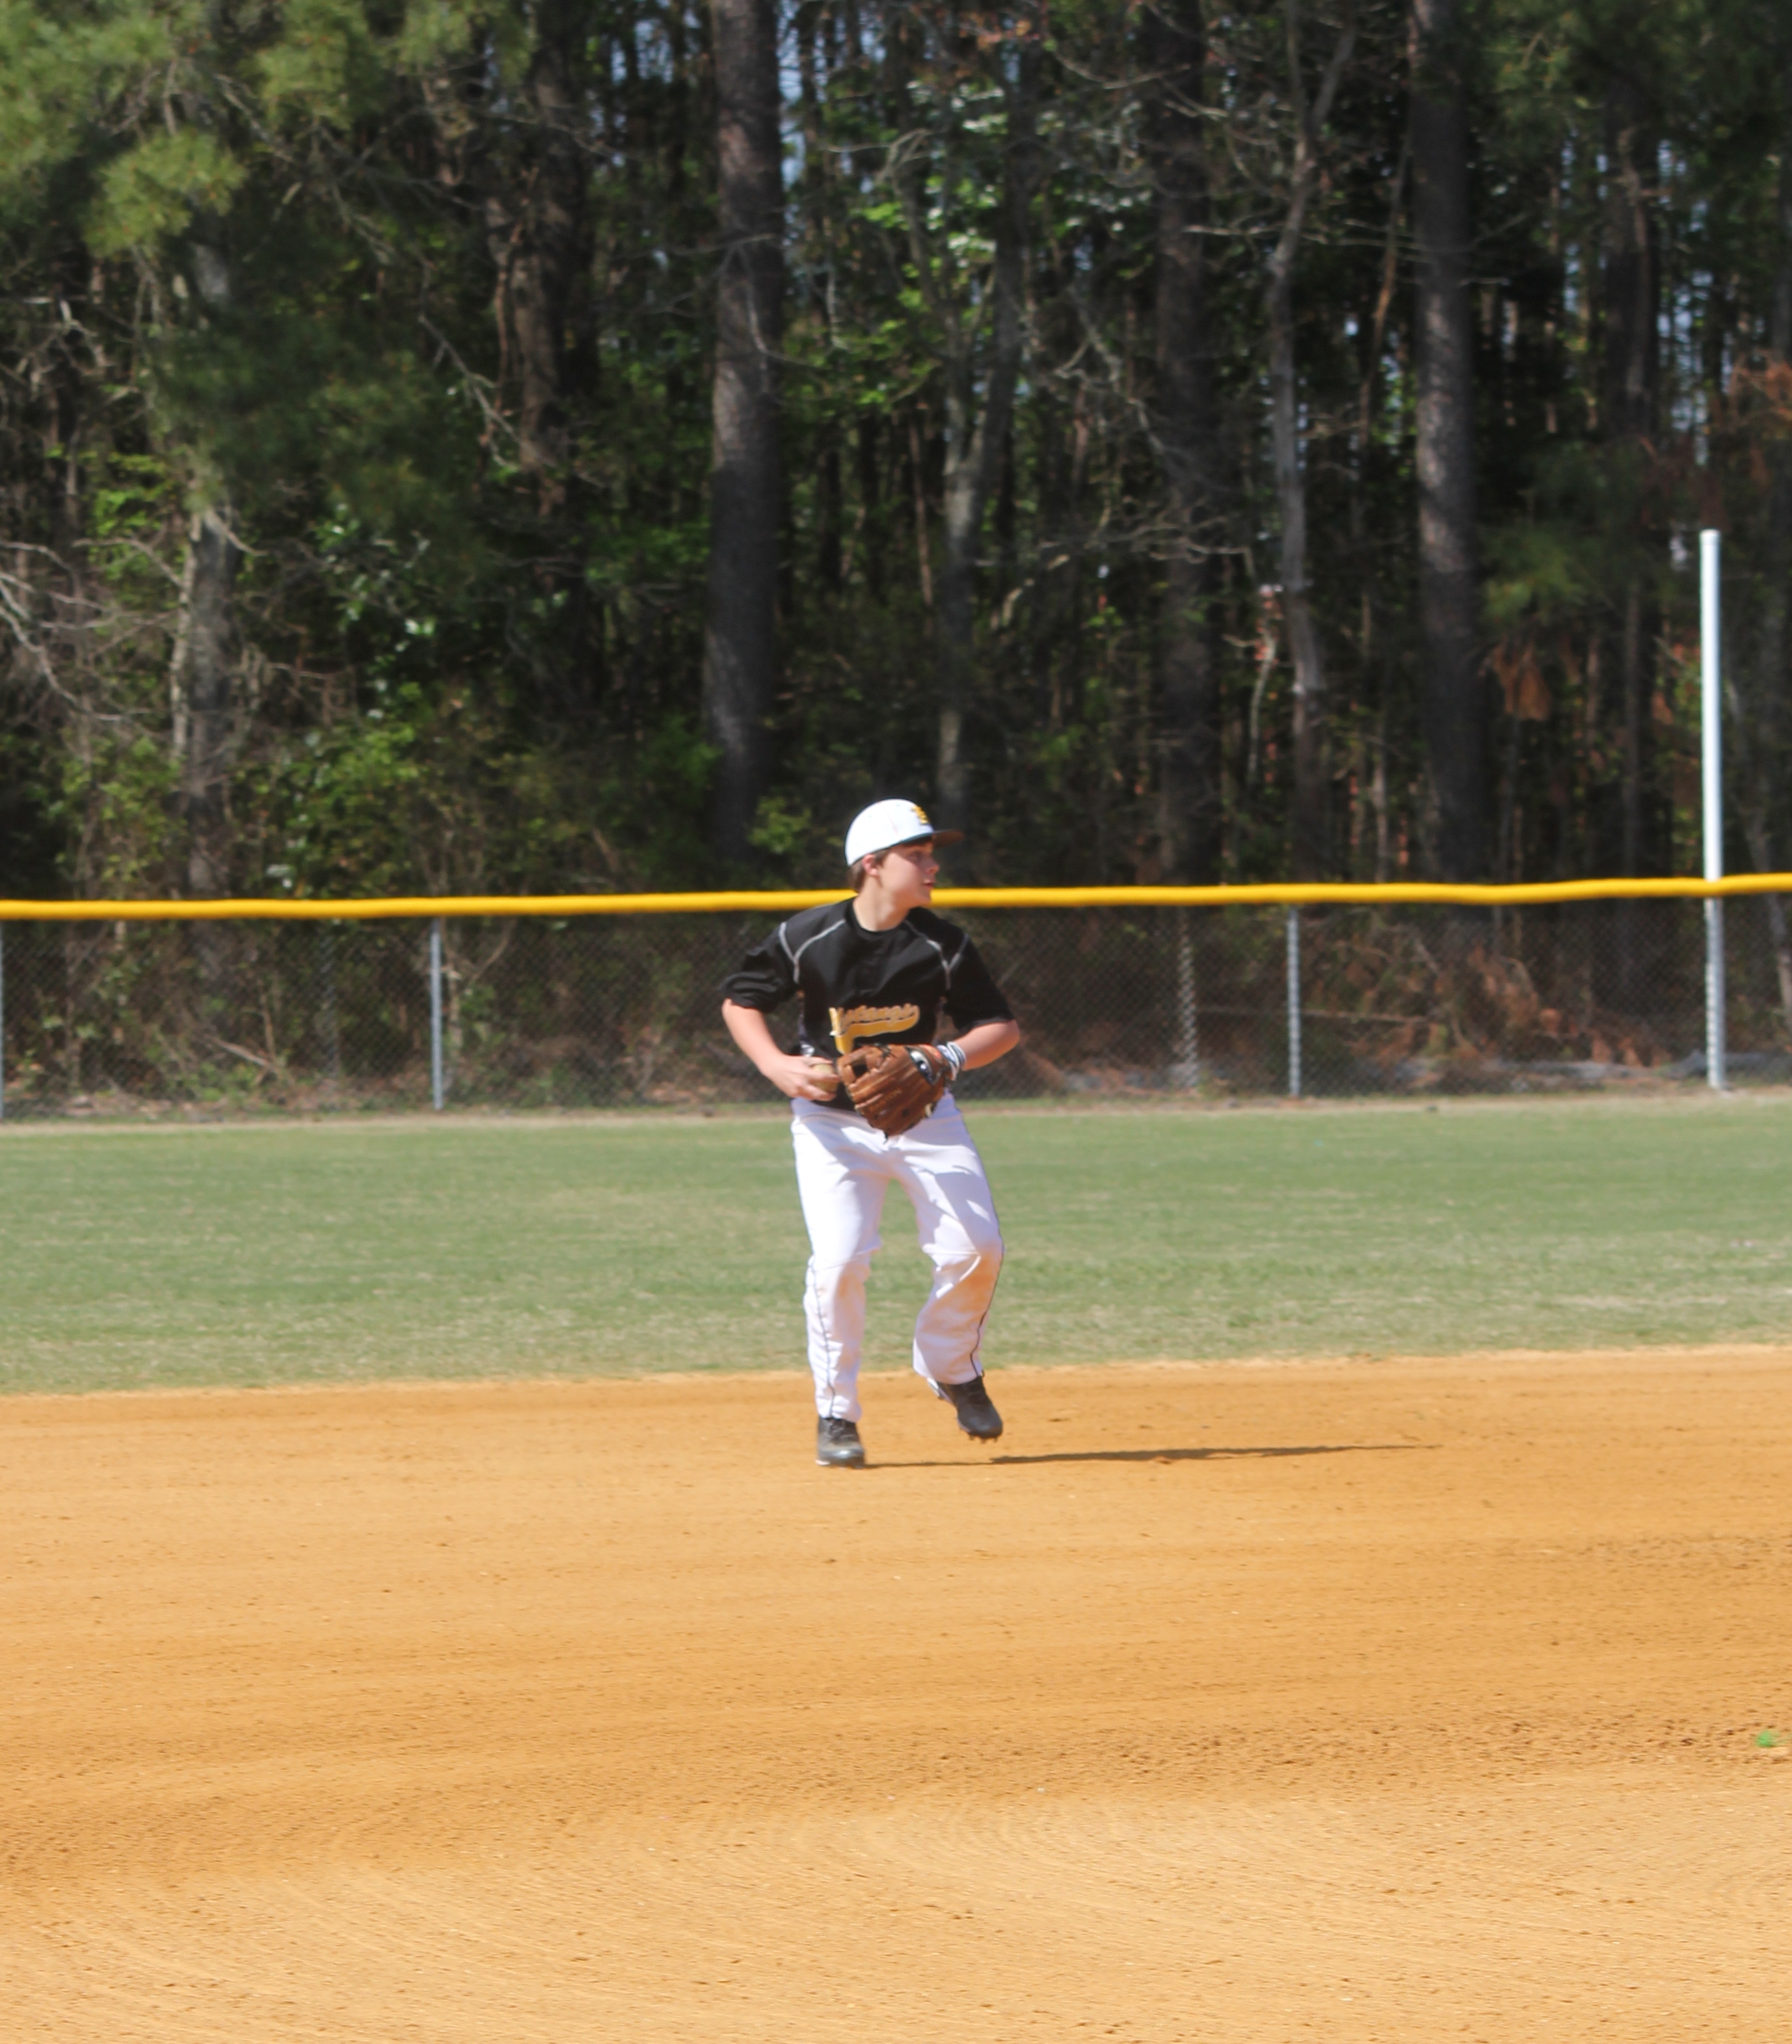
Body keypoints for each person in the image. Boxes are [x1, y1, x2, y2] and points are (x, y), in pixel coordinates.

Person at [720, 799, 1022, 1467]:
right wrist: (775, 1065)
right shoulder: (809, 936)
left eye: (929, 851)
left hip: (925, 1113)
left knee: (978, 1246)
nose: (931, 863)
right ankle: (837, 1415)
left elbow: (1000, 1027)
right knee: (838, 1262)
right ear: (872, 866)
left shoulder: (943, 945)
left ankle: (948, 1362)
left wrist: (946, 1056)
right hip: (829, 1121)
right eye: (916, 854)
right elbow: (741, 999)